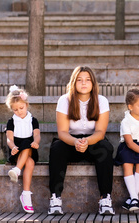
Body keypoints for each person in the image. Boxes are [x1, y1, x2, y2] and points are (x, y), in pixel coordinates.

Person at [48, 66, 115, 215]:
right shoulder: (64, 100)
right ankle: (55, 198)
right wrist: (76, 142)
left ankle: (105, 199)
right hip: (70, 142)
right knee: (57, 148)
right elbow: (63, 132)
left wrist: (86, 141)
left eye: (87, 80)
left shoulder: (101, 101)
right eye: (79, 80)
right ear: (73, 82)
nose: (83, 83)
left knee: (106, 148)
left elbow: (100, 132)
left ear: (93, 83)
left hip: (93, 141)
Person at [5, 85, 41, 214]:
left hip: (30, 147)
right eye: (15, 110)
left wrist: (36, 142)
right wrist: (13, 147)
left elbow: (36, 135)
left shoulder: (33, 120)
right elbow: (9, 139)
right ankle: (26, 195)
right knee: (30, 163)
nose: (19, 111)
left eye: (21, 108)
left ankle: (17, 169)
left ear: (26, 105)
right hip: (17, 150)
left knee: (27, 142)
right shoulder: (11, 122)